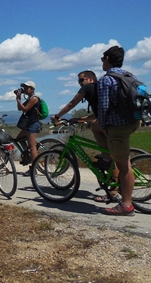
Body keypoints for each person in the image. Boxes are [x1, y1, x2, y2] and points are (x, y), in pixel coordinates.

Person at [51, 71, 118, 202]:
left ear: (90, 79)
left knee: (112, 156)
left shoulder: (88, 88)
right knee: (95, 125)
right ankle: (105, 157)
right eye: (79, 81)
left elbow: (71, 104)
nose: (80, 84)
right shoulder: (101, 90)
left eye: (81, 80)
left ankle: (115, 191)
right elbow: (97, 115)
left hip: (111, 123)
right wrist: (79, 119)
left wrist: (57, 116)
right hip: (118, 121)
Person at [97, 45, 140, 216]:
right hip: (133, 122)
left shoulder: (106, 80)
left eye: (102, 58)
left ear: (107, 59)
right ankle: (119, 195)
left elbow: (104, 106)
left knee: (123, 167)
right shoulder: (129, 75)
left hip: (117, 126)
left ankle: (126, 205)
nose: (101, 62)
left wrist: (101, 125)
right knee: (123, 160)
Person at [15, 81, 41, 166]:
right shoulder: (29, 99)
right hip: (28, 124)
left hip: (33, 124)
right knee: (19, 138)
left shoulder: (34, 98)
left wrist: (19, 101)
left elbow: (25, 109)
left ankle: (34, 169)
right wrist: (18, 99)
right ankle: (27, 154)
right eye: (24, 88)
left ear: (32, 89)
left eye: (27, 88)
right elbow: (20, 108)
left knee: (32, 148)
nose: (25, 90)